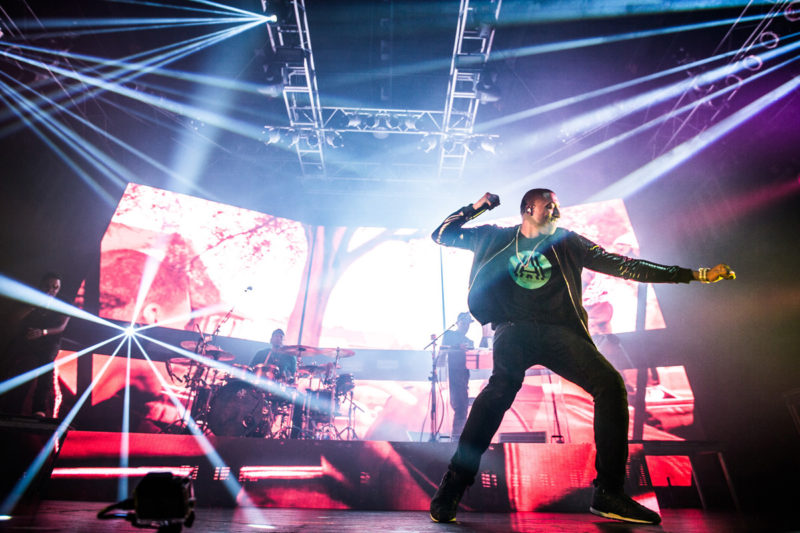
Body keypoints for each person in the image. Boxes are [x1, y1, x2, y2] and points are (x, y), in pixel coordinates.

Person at [428, 189, 735, 524]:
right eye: (550, 204)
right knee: (500, 390)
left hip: (560, 331)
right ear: (529, 208)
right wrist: (478, 207)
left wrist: (693, 274)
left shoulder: (567, 241)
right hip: (513, 329)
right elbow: (442, 235)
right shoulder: (494, 237)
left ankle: (609, 492)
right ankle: (452, 487)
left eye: (558, 205)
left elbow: (624, 266)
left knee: (610, 385)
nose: (557, 209)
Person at [0, 272, 70, 417]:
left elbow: (61, 327)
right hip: (27, 337)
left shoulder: (64, 302)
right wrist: (34, 305)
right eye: (48, 286)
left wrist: (43, 332)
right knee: (9, 361)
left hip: (48, 340)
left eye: (55, 287)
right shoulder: (29, 297)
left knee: (46, 367)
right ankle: (9, 405)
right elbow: (13, 319)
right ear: (41, 285)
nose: (51, 290)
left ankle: (39, 409)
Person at [441, 312, 475, 440]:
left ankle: (458, 437)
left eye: (468, 324)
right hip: (451, 376)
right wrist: (457, 347)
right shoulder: (449, 335)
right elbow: (443, 351)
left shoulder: (469, 341)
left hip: (463, 377)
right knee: (459, 407)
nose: (466, 326)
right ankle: (456, 438)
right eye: (464, 323)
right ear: (458, 322)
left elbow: (473, 358)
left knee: (462, 408)